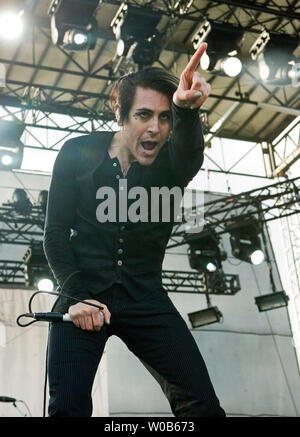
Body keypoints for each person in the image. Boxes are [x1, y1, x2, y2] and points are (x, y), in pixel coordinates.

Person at [43, 42, 226, 417]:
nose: (155, 129)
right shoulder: (77, 152)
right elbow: (55, 233)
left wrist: (186, 112)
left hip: (146, 298)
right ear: (120, 112)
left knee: (203, 406)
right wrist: (76, 296)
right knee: (67, 407)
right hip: (82, 293)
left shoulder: (171, 163)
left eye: (164, 118)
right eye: (144, 115)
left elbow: (191, 152)